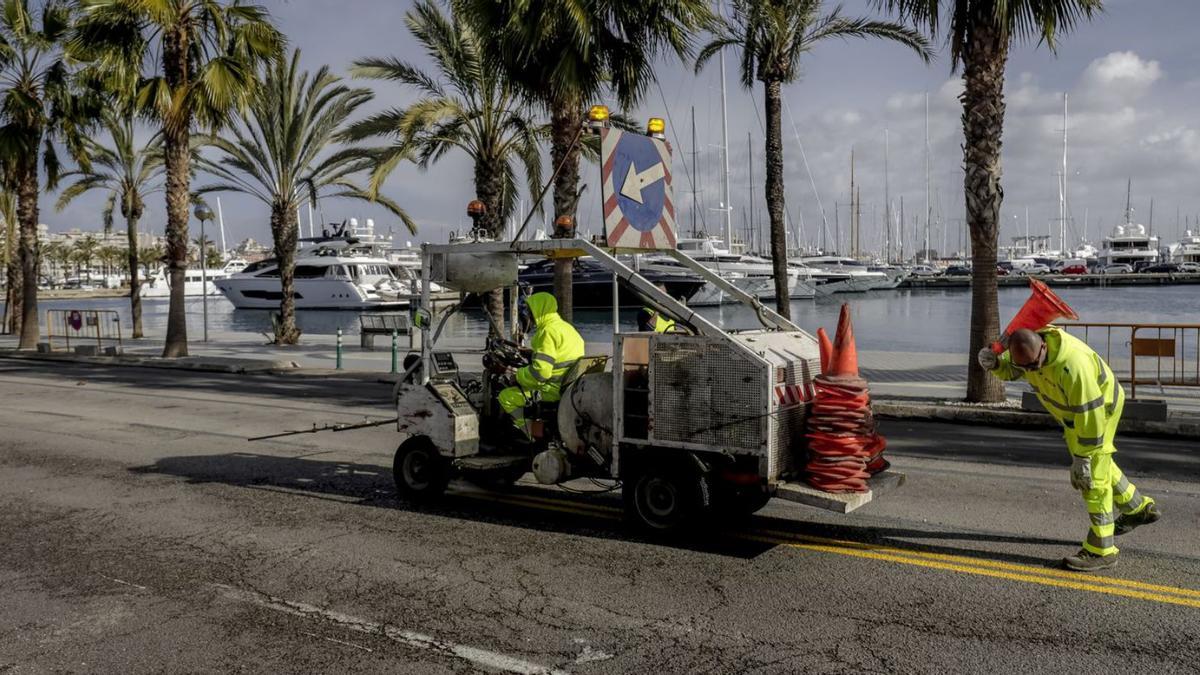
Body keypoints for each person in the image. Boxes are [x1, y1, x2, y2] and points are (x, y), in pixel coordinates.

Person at [979, 327, 1161, 572]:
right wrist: (994, 365)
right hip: (1073, 416)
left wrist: (1083, 458)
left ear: (1043, 347)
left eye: (1033, 365)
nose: (1031, 372)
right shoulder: (1029, 354)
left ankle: (1102, 550)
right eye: (1027, 367)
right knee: (1101, 463)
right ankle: (1137, 508)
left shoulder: (1074, 366)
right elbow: (1014, 370)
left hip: (1100, 411)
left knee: (1092, 479)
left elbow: (1091, 416)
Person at [497, 292, 585, 438]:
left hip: (551, 391)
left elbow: (541, 373)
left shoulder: (547, 332)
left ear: (539, 310)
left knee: (506, 397)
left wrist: (517, 377)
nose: (529, 316)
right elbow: (558, 357)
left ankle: (531, 434)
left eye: (531, 312)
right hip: (569, 387)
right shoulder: (568, 329)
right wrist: (532, 354)